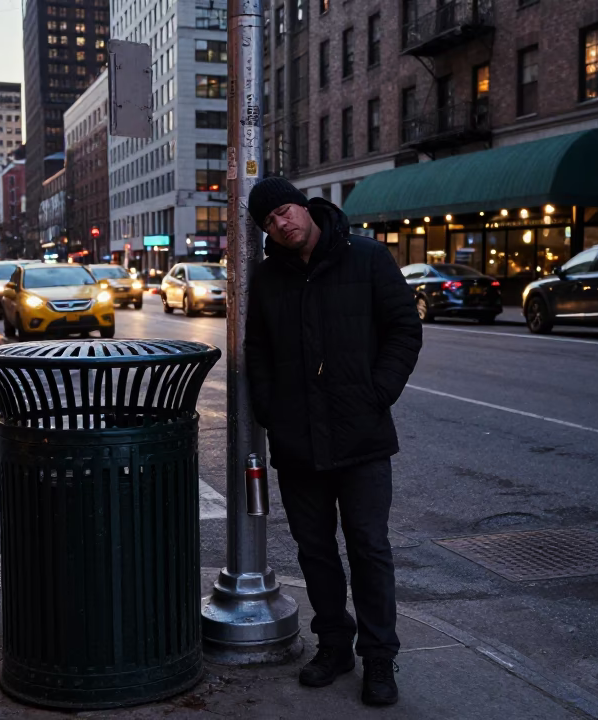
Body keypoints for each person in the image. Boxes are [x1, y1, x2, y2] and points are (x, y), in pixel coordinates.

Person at [244, 178, 422, 707]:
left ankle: (378, 658)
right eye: (270, 221)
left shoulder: (367, 257)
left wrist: (378, 392)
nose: (281, 223)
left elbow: (404, 330)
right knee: (316, 552)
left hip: (361, 435)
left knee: (369, 548)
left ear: (304, 206)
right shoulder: (268, 276)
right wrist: (271, 412)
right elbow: (258, 351)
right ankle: (333, 645)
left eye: (284, 211)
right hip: (298, 442)